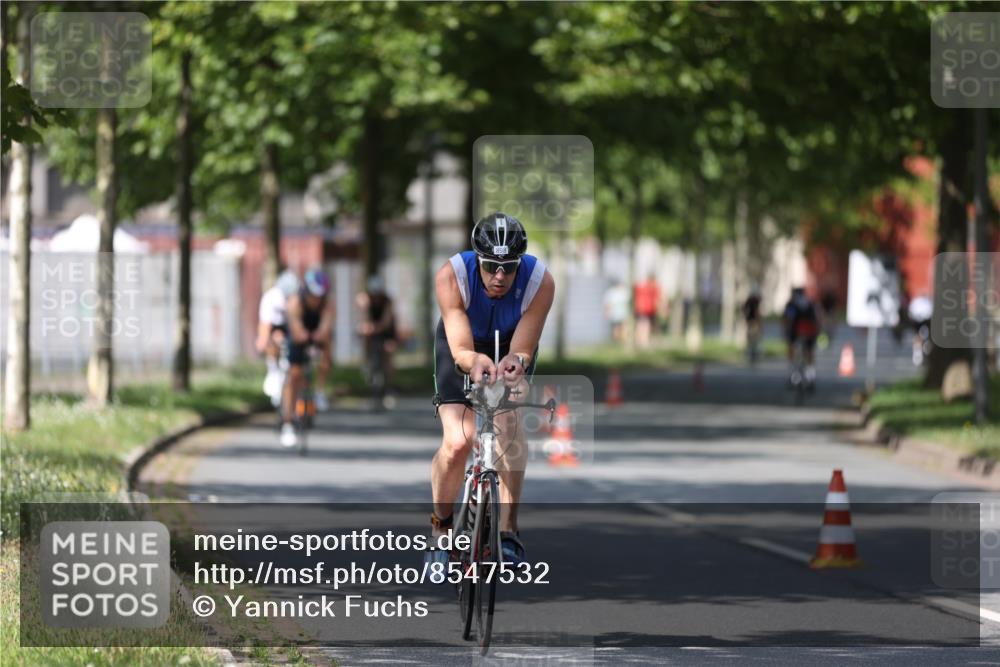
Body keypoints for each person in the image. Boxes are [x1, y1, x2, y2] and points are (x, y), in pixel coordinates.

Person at [429, 212, 554, 566]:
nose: (499, 277)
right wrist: (473, 361)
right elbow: (460, 346)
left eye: (509, 268)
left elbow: (524, 348)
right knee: (458, 441)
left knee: (509, 426)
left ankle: (508, 530)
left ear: (520, 264)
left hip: (510, 343)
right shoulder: (451, 275)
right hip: (463, 345)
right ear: (477, 260)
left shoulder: (540, 282)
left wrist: (516, 362)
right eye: (489, 267)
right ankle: (441, 528)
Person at [279, 267, 334, 448]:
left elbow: (326, 326)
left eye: (320, 296)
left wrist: (319, 336)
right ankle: (287, 422)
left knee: (327, 350)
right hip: (299, 335)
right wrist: (303, 336)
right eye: (313, 295)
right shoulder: (295, 302)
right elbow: (295, 330)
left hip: (316, 332)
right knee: (294, 374)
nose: (316, 299)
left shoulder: (327, 304)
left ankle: (319, 391)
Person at [256, 269, 300, 405]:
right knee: (272, 340)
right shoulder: (271, 298)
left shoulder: (297, 298)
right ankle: (273, 370)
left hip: (291, 326)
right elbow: (265, 324)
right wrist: (263, 340)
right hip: (275, 326)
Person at [357, 275, 398, 407]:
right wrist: (366, 326)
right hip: (372, 330)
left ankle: (389, 387)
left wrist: (376, 327)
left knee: (388, 351)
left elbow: (386, 323)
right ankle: (366, 363)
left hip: (386, 331)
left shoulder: (387, 301)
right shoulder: (366, 300)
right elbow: (364, 318)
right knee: (365, 337)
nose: (375, 297)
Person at [782, 287, 821, 387]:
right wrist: (818, 331)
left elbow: (787, 319)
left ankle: (793, 373)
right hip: (810, 330)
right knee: (809, 351)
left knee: (791, 348)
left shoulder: (791, 304)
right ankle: (811, 374)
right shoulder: (810, 303)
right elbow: (817, 318)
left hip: (795, 330)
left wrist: (785, 332)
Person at [633, 273, 661, 349]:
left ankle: (639, 341)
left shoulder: (641, 286)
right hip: (645, 309)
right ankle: (643, 342)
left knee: (641, 325)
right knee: (645, 326)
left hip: (643, 309)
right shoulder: (651, 287)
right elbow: (658, 299)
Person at [603, 279, 629, 343]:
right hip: (615, 314)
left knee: (624, 328)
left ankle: (623, 341)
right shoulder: (611, 292)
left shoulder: (625, 292)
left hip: (624, 314)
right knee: (616, 328)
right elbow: (608, 304)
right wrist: (607, 312)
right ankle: (617, 341)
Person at [742, 289, 762, 365]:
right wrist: (759, 323)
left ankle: (751, 352)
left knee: (750, 338)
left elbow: (744, 310)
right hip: (754, 322)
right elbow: (757, 312)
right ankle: (753, 352)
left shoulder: (748, 301)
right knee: (754, 338)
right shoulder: (755, 302)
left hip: (749, 322)